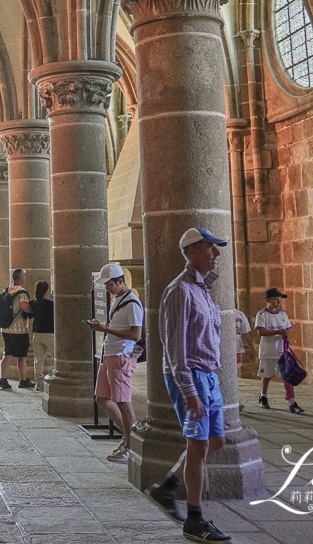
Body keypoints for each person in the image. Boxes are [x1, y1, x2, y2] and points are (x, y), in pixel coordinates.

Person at [145, 227, 233, 543]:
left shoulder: (202, 289)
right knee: (197, 446)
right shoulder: (180, 291)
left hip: (208, 375)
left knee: (216, 442)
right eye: (211, 248)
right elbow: (175, 347)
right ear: (193, 252)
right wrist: (189, 391)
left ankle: (167, 489)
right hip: (190, 375)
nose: (217, 254)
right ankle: (194, 520)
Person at [86, 262, 142, 464]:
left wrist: (105, 329)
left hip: (120, 357)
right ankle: (129, 437)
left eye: (110, 284)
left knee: (123, 402)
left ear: (121, 281)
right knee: (102, 398)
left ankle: (132, 445)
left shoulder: (133, 303)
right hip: (109, 355)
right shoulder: (118, 299)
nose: (107, 288)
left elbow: (136, 335)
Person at [255, 287, 304, 414]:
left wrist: (286, 336)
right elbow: (261, 331)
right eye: (275, 299)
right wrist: (277, 332)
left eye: (279, 299)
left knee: (287, 376)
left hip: (281, 350)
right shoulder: (262, 315)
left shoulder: (283, 314)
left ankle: (292, 402)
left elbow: (287, 329)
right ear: (267, 300)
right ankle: (263, 396)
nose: (278, 301)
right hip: (268, 350)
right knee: (266, 375)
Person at [0, 268, 34, 390]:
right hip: (19, 329)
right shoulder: (22, 292)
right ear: (21, 278)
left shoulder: (7, 289)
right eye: (24, 276)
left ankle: (3, 379)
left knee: (7, 353)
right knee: (22, 355)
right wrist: (33, 309)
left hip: (6, 328)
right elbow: (25, 308)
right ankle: (23, 380)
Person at [31, 280, 54, 387]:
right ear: (46, 291)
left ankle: (39, 381)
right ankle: (55, 377)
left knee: (38, 359)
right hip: (49, 334)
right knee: (56, 357)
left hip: (36, 333)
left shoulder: (34, 303)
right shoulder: (51, 304)